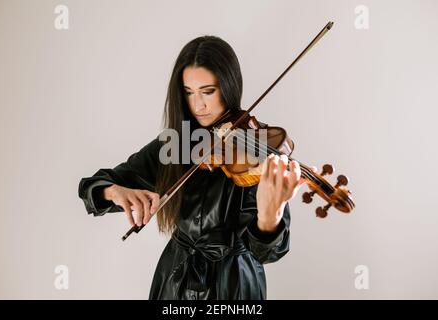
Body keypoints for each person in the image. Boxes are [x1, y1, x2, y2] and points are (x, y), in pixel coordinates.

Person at [78, 35, 309, 300]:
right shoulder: (175, 143)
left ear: (229, 86)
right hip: (175, 281)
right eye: (189, 93)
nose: (198, 105)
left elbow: (268, 253)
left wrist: (270, 216)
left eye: (208, 91)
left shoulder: (256, 149)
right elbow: (91, 186)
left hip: (235, 286)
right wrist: (115, 192)